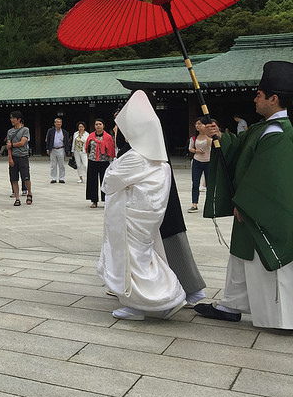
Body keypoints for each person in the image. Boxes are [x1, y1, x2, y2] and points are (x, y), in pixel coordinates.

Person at [197, 61, 293, 329]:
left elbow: (268, 178)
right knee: (241, 256)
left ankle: (279, 318)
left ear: (273, 99)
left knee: (261, 257)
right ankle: (232, 304)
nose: (255, 98)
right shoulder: (262, 128)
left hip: (259, 208)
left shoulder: (278, 133)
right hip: (250, 205)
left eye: (259, 95)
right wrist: (219, 136)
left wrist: (247, 203)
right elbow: (237, 150)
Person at [98, 91, 186, 321]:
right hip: (146, 217)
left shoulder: (135, 157)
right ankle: (168, 297)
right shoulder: (157, 157)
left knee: (133, 260)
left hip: (131, 217)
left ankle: (139, 304)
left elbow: (108, 182)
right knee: (144, 257)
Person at [85, 118, 115, 208]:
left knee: (105, 181)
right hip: (93, 161)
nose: (98, 126)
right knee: (92, 181)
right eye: (96, 124)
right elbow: (87, 148)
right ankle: (94, 201)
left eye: (100, 124)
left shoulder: (108, 137)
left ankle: (106, 200)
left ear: (103, 126)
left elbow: (111, 150)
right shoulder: (90, 136)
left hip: (104, 161)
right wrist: (90, 157)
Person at [6, 111, 32, 206]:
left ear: (19, 119)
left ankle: (29, 193)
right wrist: (10, 158)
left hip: (23, 156)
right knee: (14, 178)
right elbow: (8, 146)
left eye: (13, 118)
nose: (11, 120)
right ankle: (17, 198)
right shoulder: (10, 131)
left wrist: (12, 145)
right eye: (11, 118)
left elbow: (22, 142)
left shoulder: (25, 130)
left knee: (26, 177)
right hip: (14, 156)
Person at [187, 118, 213, 213]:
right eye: (196, 124)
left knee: (209, 184)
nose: (197, 126)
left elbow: (211, 146)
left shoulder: (209, 137)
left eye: (200, 124)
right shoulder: (194, 137)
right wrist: (196, 151)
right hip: (197, 161)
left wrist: (207, 134)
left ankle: (209, 204)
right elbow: (190, 148)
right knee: (195, 183)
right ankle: (194, 204)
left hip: (208, 161)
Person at [45, 117, 71, 183]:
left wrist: (67, 150)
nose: (59, 124)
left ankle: (61, 178)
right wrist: (48, 149)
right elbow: (48, 140)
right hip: (53, 149)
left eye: (60, 123)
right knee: (53, 165)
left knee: (61, 164)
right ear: (55, 123)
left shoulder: (64, 132)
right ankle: (53, 178)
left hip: (61, 149)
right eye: (57, 123)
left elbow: (66, 142)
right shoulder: (51, 131)